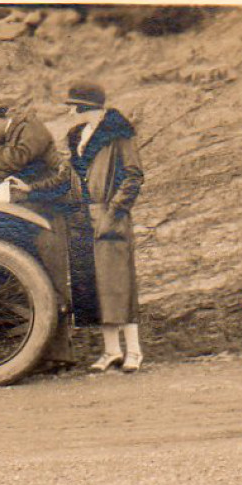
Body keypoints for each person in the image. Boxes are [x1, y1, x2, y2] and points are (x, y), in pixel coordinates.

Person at [0, 100, 76, 367]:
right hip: (32, 213)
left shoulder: (30, 128)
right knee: (33, 278)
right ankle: (41, 351)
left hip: (49, 213)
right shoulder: (11, 135)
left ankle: (60, 355)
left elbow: (16, 159)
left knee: (52, 279)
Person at [60, 79, 146, 372]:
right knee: (95, 286)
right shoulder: (77, 136)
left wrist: (115, 211)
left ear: (85, 107)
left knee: (119, 283)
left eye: (73, 106)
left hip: (110, 214)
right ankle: (111, 351)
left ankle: (133, 351)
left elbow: (133, 176)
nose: (70, 112)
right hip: (84, 217)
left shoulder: (117, 134)